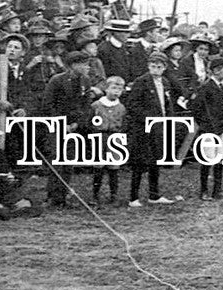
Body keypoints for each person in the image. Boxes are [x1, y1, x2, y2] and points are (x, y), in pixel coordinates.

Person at [123, 52, 178, 207]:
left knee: (156, 160)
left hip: (160, 126)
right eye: (153, 66)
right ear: (148, 66)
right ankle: (133, 197)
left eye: (159, 67)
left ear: (164, 68)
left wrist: (168, 119)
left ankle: (154, 195)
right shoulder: (141, 81)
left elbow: (166, 104)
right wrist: (149, 118)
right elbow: (132, 105)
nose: (156, 69)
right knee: (140, 162)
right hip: (144, 128)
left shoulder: (165, 82)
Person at [42, 49, 93, 207]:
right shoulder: (57, 80)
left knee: (69, 160)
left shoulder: (86, 81)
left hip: (74, 127)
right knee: (57, 159)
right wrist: (61, 123)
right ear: (73, 65)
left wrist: (77, 124)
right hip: (57, 125)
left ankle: (63, 196)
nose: (87, 67)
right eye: (84, 64)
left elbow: (86, 106)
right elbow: (48, 105)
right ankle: (52, 196)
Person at [189, 56, 223, 200]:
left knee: (220, 159)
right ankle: (204, 190)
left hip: (222, 128)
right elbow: (196, 108)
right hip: (209, 129)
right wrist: (206, 125)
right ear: (217, 71)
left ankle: (217, 189)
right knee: (207, 159)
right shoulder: (206, 87)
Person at [89, 76, 127, 205]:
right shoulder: (96, 105)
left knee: (114, 167)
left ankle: (113, 195)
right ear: (106, 89)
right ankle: (95, 195)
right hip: (99, 136)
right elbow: (89, 122)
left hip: (115, 137)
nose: (116, 91)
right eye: (113, 88)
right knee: (98, 166)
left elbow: (124, 124)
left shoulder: (121, 107)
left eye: (119, 89)